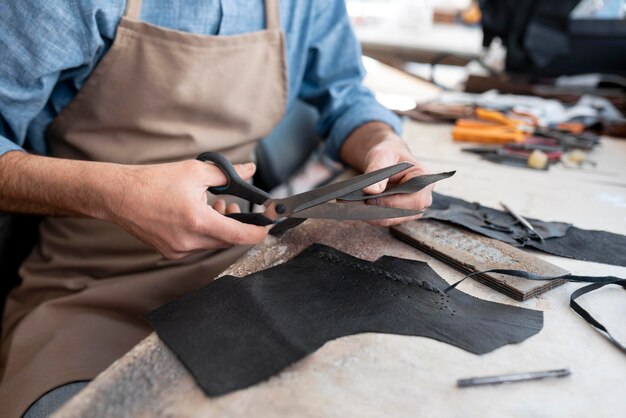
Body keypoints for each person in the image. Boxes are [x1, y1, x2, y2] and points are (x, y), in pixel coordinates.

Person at [0, 1, 434, 416]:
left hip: (246, 271)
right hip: (89, 290)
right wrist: (114, 192)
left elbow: (346, 99)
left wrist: (382, 144)